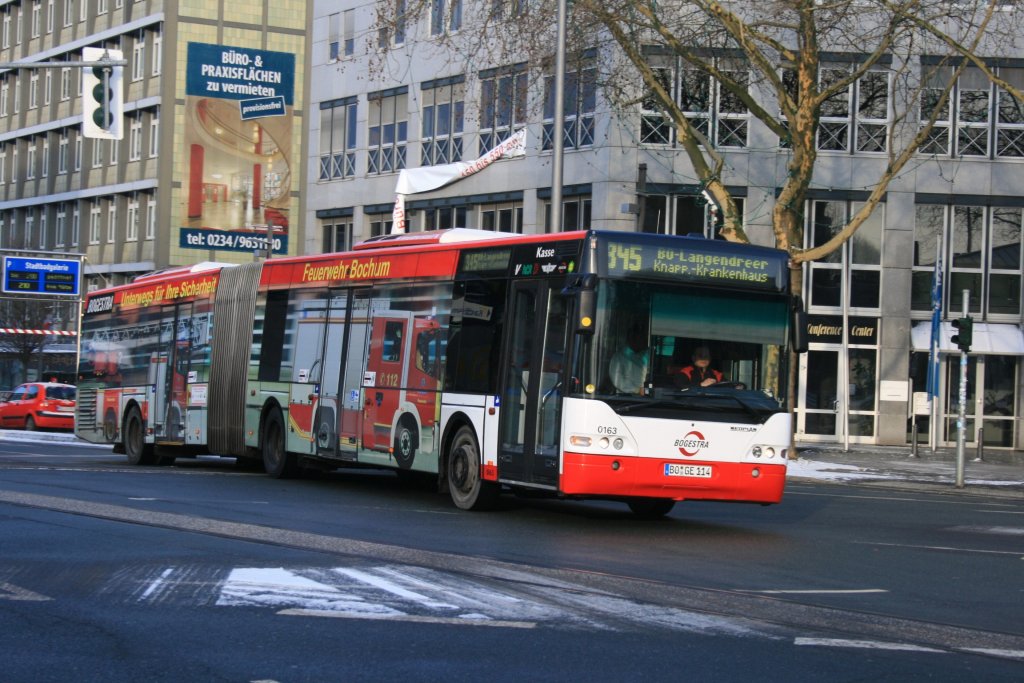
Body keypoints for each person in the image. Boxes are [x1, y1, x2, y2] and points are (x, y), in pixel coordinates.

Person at [609, 323, 648, 394]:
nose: (644, 341)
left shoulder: (645, 356)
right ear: (631, 337)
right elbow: (617, 380)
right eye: (640, 338)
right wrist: (637, 390)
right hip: (626, 398)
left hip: (647, 397)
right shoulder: (619, 357)